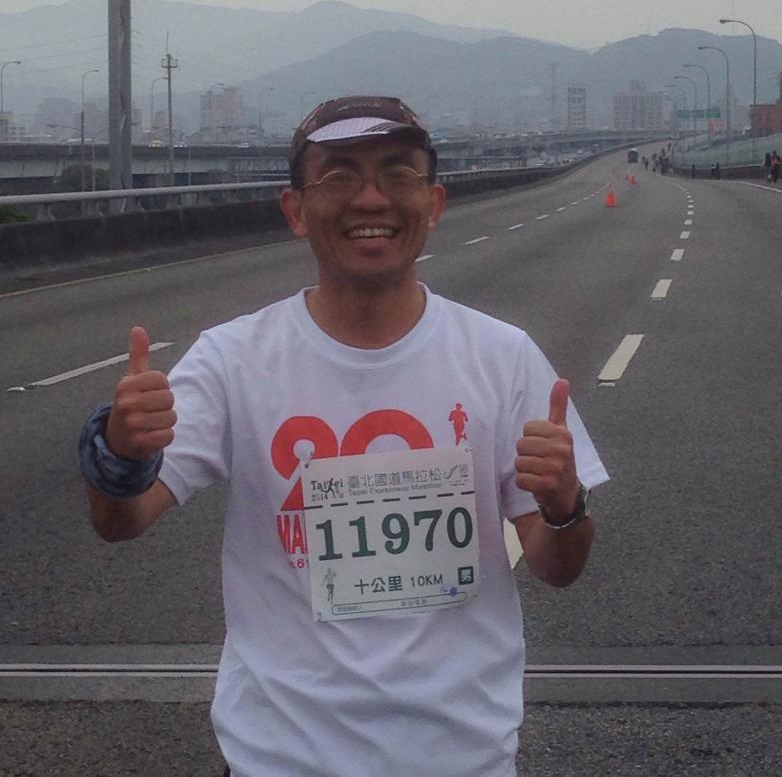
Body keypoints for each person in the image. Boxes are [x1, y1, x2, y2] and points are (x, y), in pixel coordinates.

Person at [79, 95, 608, 777]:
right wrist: (121, 453)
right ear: (295, 209)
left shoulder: (503, 358)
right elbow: (121, 522)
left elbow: (558, 567)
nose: (370, 198)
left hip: (462, 758)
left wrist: (564, 506)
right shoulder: (232, 360)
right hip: (278, 760)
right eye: (339, 176)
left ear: (434, 202)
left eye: (397, 173)